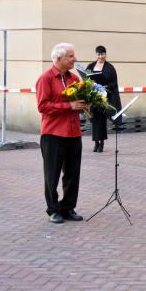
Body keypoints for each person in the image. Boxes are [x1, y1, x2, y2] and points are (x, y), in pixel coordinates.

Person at [36, 43, 88, 224]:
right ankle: (53, 209)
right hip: (53, 133)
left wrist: (86, 103)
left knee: (73, 173)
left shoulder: (74, 78)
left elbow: (79, 100)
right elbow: (42, 106)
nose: (75, 59)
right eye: (71, 56)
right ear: (59, 58)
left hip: (74, 133)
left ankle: (68, 207)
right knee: (52, 174)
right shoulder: (46, 79)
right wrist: (69, 106)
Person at [86, 45, 122, 153]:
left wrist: (105, 87)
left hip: (105, 97)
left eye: (102, 54)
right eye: (98, 54)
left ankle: (101, 143)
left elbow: (114, 83)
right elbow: (86, 80)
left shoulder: (110, 68)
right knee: (95, 120)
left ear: (105, 54)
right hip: (94, 97)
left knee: (101, 121)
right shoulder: (91, 66)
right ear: (96, 54)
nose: (100, 56)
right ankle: (96, 142)